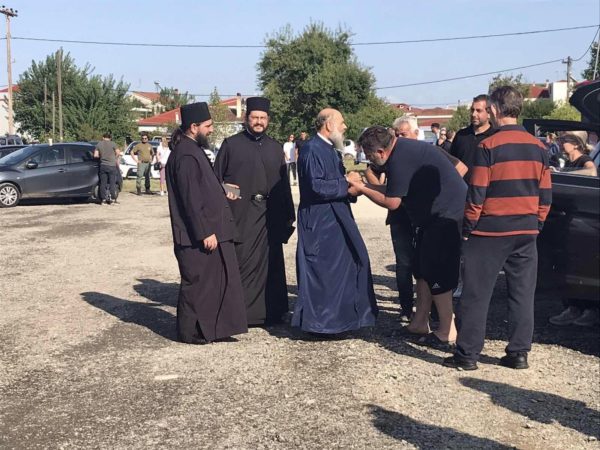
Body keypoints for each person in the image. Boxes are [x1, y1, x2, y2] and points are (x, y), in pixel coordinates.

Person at [443, 86, 552, 371]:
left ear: (494, 109)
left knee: (476, 294)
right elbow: (545, 194)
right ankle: (519, 353)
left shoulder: (488, 146)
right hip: (526, 230)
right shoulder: (539, 147)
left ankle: (467, 355)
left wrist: (468, 227)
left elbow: (477, 192)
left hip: (490, 230)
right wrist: (537, 223)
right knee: (522, 293)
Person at [354, 126, 466, 348]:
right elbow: (394, 190)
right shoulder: (406, 149)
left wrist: (361, 188)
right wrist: (364, 185)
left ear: (380, 152)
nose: (369, 160)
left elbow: (392, 201)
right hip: (432, 217)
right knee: (422, 269)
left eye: (369, 155)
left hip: (445, 216)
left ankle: (447, 331)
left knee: (437, 271)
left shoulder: (399, 159)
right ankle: (419, 322)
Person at [165, 102, 247, 344]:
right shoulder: (186, 155)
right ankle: (189, 332)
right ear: (194, 127)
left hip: (207, 230)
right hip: (196, 235)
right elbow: (191, 199)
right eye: (208, 126)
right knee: (197, 284)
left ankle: (210, 329)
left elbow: (202, 186)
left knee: (212, 283)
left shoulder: (192, 150)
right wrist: (205, 232)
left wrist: (222, 189)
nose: (211, 130)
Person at [293, 108, 377, 335]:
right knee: (323, 273)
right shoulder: (311, 149)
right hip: (320, 222)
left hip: (337, 218)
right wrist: (346, 182)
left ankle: (342, 321)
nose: (345, 127)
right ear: (328, 125)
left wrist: (351, 187)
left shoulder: (329, 149)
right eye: (341, 122)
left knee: (346, 267)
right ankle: (321, 324)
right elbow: (316, 186)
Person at [214, 97, 295, 326]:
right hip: (243, 214)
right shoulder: (231, 145)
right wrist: (229, 190)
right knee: (243, 262)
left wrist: (288, 214)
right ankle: (242, 314)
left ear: (268, 120)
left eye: (263, 118)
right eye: (255, 117)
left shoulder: (275, 147)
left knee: (272, 263)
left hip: (270, 215)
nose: (259, 122)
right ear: (246, 118)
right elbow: (214, 180)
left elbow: (284, 185)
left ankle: (273, 312)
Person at [450, 94, 497, 182]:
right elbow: (452, 163)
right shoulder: (461, 135)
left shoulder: (495, 136)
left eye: (478, 111)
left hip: (486, 188)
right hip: (462, 188)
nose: (474, 114)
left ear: (489, 113)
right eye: (472, 110)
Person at [94, 132, 119, 205]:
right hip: (112, 165)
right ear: (110, 138)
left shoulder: (99, 144)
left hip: (103, 165)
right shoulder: (113, 144)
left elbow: (95, 155)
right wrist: (114, 158)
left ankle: (103, 200)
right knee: (112, 183)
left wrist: (102, 157)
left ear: (103, 137)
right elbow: (118, 152)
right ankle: (112, 199)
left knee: (103, 183)